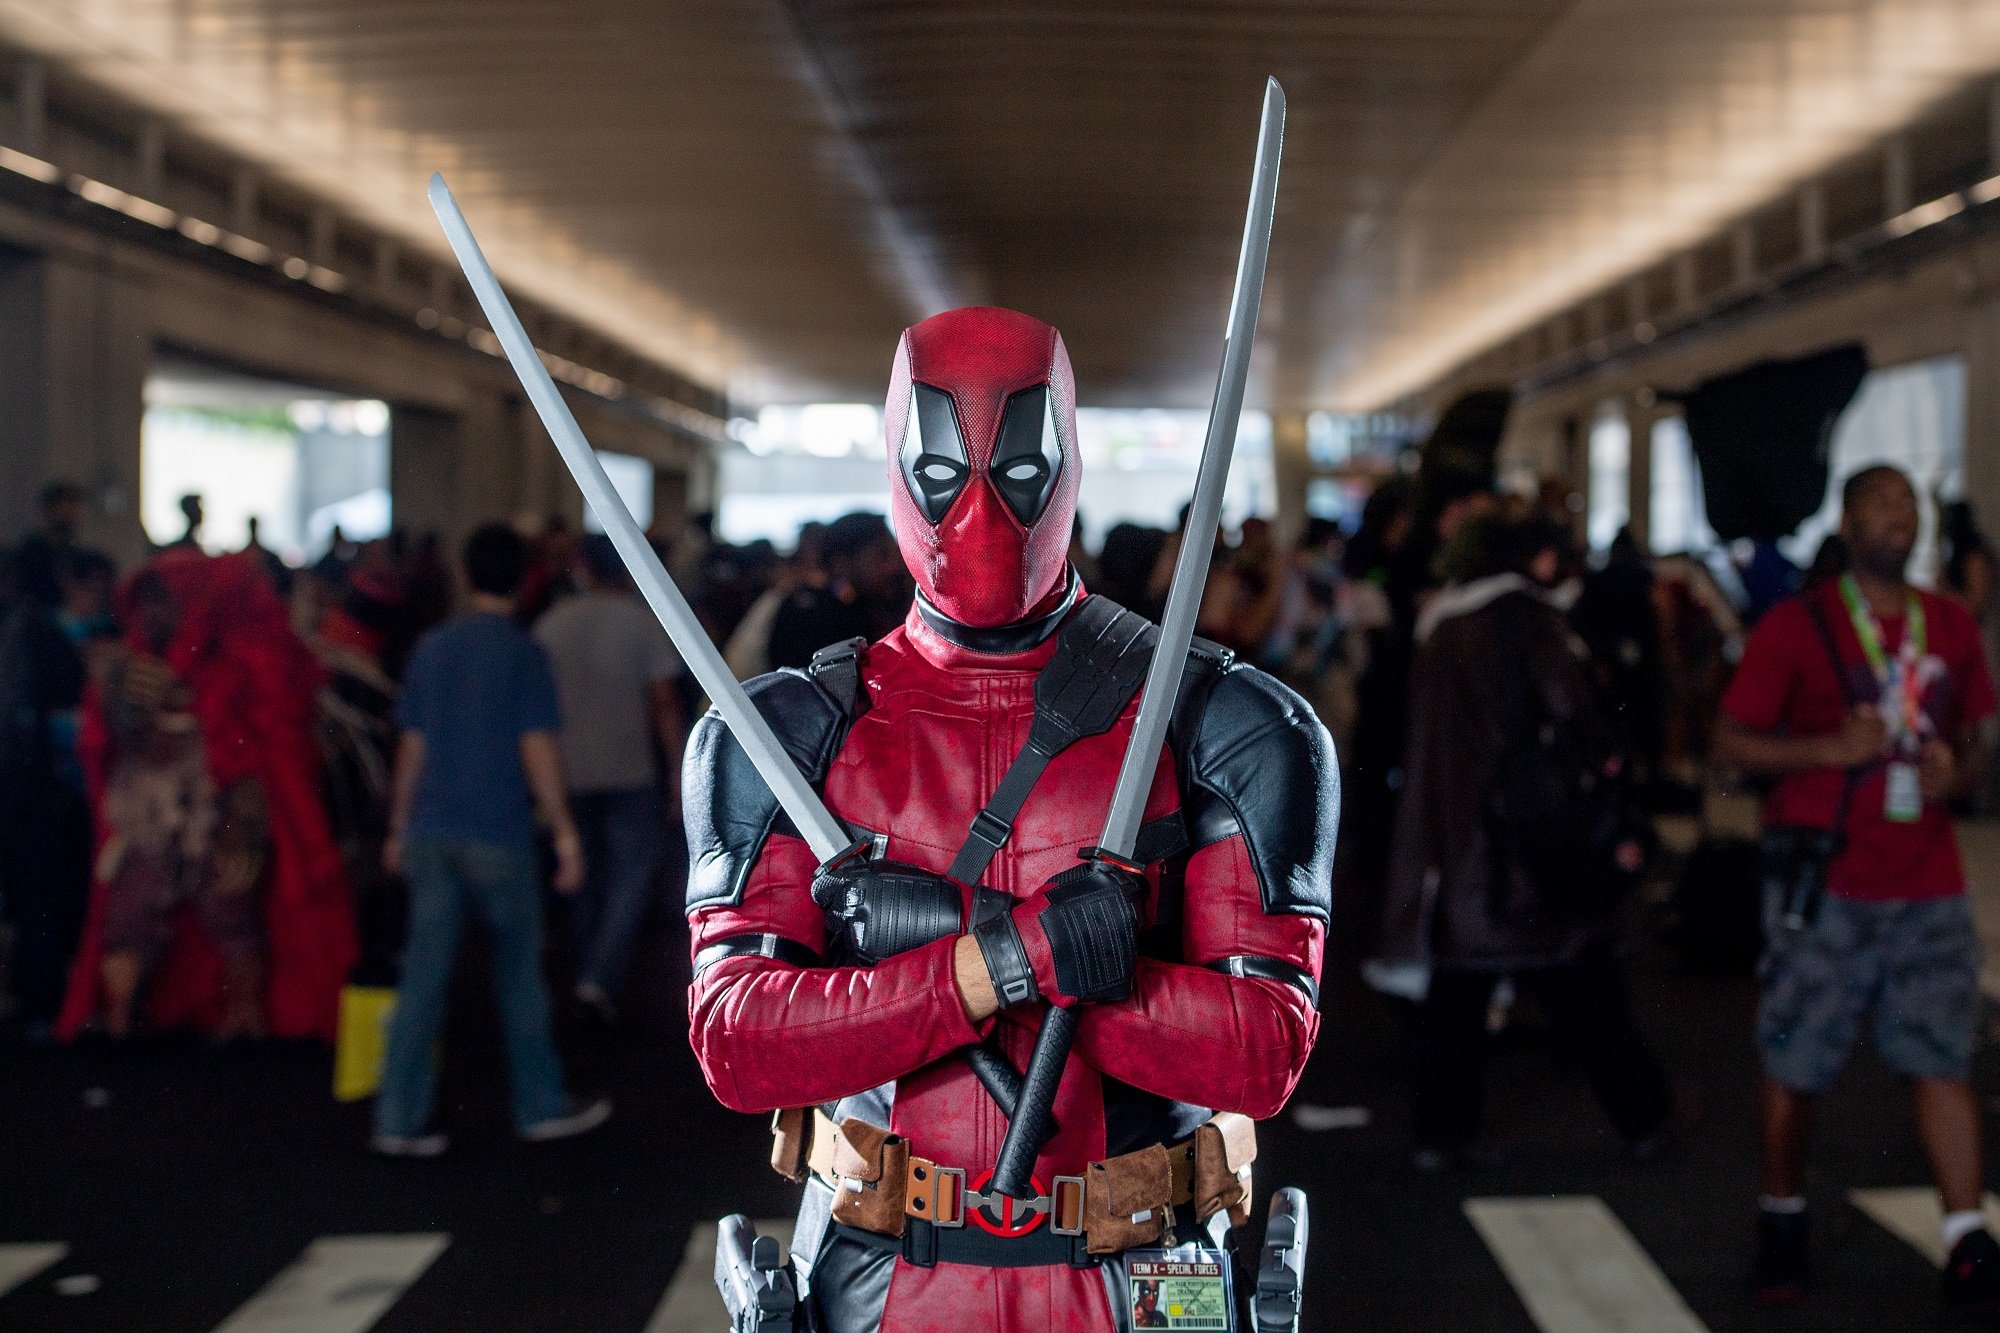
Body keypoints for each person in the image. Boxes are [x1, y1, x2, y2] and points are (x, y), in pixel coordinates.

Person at [684, 308, 1337, 1331]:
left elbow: (1255, 1052)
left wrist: (940, 960)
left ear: (1068, 457)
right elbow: (741, 1041)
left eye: (1018, 470)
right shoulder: (787, 734)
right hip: (886, 1279)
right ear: (899, 462)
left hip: (1147, 1277)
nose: (980, 509)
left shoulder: (1222, 722)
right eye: (942, 472)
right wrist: (1021, 951)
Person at [1715, 465, 2000, 1311]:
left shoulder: (1946, 623)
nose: (1900, 519)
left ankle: (1966, 1238)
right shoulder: (1798, 627)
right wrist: (1824, 752)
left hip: (1929, 880)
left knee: (1943, 1055)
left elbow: (1980, 734)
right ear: (1848, 520)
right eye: (1882, 504)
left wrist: (1960, 769)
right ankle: (1782, 1216)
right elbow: (1732, 742)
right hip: (1826, 879)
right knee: (1798, 1058)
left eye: (1909, 506)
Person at [1376, 515, 1673, 1168]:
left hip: (1463, 852)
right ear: (1537, 559)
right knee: (1585, 989)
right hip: (1533, 846)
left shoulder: (1444, 626)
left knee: (1456, 1001)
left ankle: (1440, 1136)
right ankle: (1646, 1117)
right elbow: (1574, 718)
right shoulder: (1531, 623)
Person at [374, 523, 607, 1156]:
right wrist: (564, 834)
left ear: (465, 573)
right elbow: (537, 749)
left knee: (423, 975)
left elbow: (412, 747)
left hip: (431, 830)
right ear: (524, 578)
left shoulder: (431, 648)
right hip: (499, 833)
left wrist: (397, 828)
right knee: (519, 974)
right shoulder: (524, 653)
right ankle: (539, 1105)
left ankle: (397, 1118)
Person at [58, 550, 355, 1041]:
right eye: (146, 602)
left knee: (231, 909)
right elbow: (106, 734)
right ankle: (118, 1018)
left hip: (216, 815)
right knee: (131, 911)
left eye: (161, 601)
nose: (151, 614)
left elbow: (264, 752)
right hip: (148, 816)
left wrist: (246, 823)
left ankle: (244, 1016)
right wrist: (119, 698)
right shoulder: (133, 661)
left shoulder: (240, 661)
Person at [534, 533, 684, 1021]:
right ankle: (598, 980)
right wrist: (678, 770)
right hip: (630, 768)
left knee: (584, 875)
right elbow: (663, 705)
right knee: (631, 877)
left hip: (568, 772)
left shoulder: (550, 625)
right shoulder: (641, 623)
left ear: (581, 569)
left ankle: (588, 971)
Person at [764, 511, 906, 671]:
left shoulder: (880, 607)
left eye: (897, 554)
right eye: (883, 555)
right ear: (842, 562)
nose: (896, 566)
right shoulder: (811, 617)